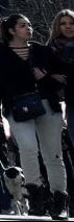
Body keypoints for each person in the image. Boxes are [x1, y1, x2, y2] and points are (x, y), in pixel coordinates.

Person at [0, 13, 67, 218]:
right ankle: (35, 195)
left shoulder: (42, 50)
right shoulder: (0, 51)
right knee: (28, 148)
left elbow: (63, 75)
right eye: (23, 25)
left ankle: (60, 200)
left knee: (53, 154)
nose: (28, 28)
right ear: (11, 30)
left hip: (46, 104)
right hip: (18, 107)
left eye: (30, 25)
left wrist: (46, 77)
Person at [48, 9, 74, 142]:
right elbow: (45, 73)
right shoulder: (51, 49)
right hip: (71, 99)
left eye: (71, 23)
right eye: (64, 23)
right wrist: (52, 76)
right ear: (58, 27)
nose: (68, 26)